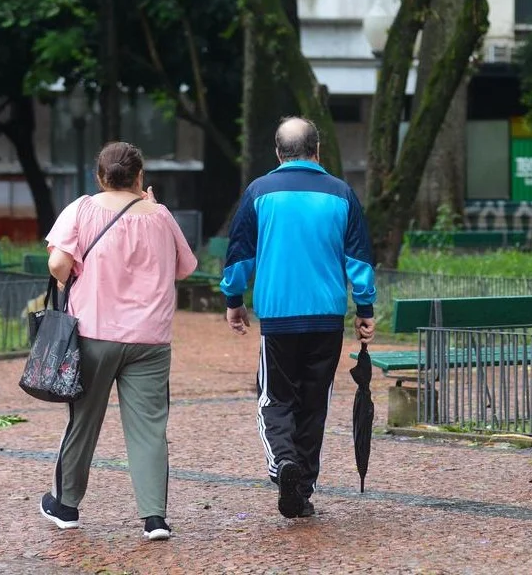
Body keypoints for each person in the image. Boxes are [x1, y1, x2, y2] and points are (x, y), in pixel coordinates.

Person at [39, 141, 197, 541]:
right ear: (140, 177)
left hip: (94, 333)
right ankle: (154, 518)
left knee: (83, 421)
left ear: (100, 177)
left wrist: (72, 275)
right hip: (151, 338)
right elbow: (185, 268)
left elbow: (58, 263)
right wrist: (152, 209)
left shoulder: (82, 208)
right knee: (149, 428)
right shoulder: (161, 215)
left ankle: (66, 506)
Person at [221, 116, 376, 519]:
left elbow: (239, 255)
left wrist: (234, 299)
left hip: (279, 316)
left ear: (278, 152)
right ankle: (302, 489)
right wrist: (365, 308)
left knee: (274, 398)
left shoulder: (259, 192)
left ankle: (283, 463)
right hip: (326, 317)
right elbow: (359, 259)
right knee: (313, 404)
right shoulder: (342, 193)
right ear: (317, 151)